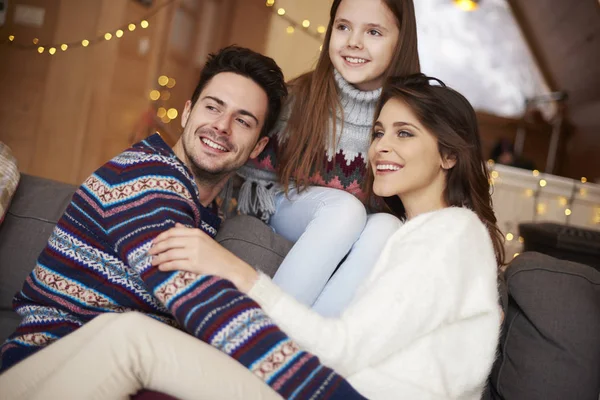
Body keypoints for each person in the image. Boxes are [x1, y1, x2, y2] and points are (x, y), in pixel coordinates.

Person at [4, 74, 505, 399]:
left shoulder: (452, 234)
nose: (381, 148)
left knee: (130, 337)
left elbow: (342, 349)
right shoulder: (414, 236)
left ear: (449, 155)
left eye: (404, 133)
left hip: (332, 392)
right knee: (120, 334)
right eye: (378, 132)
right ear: (187, 109)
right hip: (330, 384)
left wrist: (237, 271)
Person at [0, 46, 364, 400]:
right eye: (212, 107)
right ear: (187, 112)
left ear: (257, 146)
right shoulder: (143, 178)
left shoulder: (206, 215)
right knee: (132, 337)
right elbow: (196, 297)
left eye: (242, 120)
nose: (221, 127)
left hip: (102, 378)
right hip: (40, 370)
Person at [236, 0, 421, 316]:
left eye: (373, 31)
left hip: (357, 228)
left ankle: (310, 347)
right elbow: (255, 187)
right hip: (287, 203)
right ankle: (263, 330)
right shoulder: (299, 97)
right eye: (343, 26)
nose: (354, 42)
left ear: (400, 42)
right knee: (345, 210)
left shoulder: (412, 117)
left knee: (388, 227)